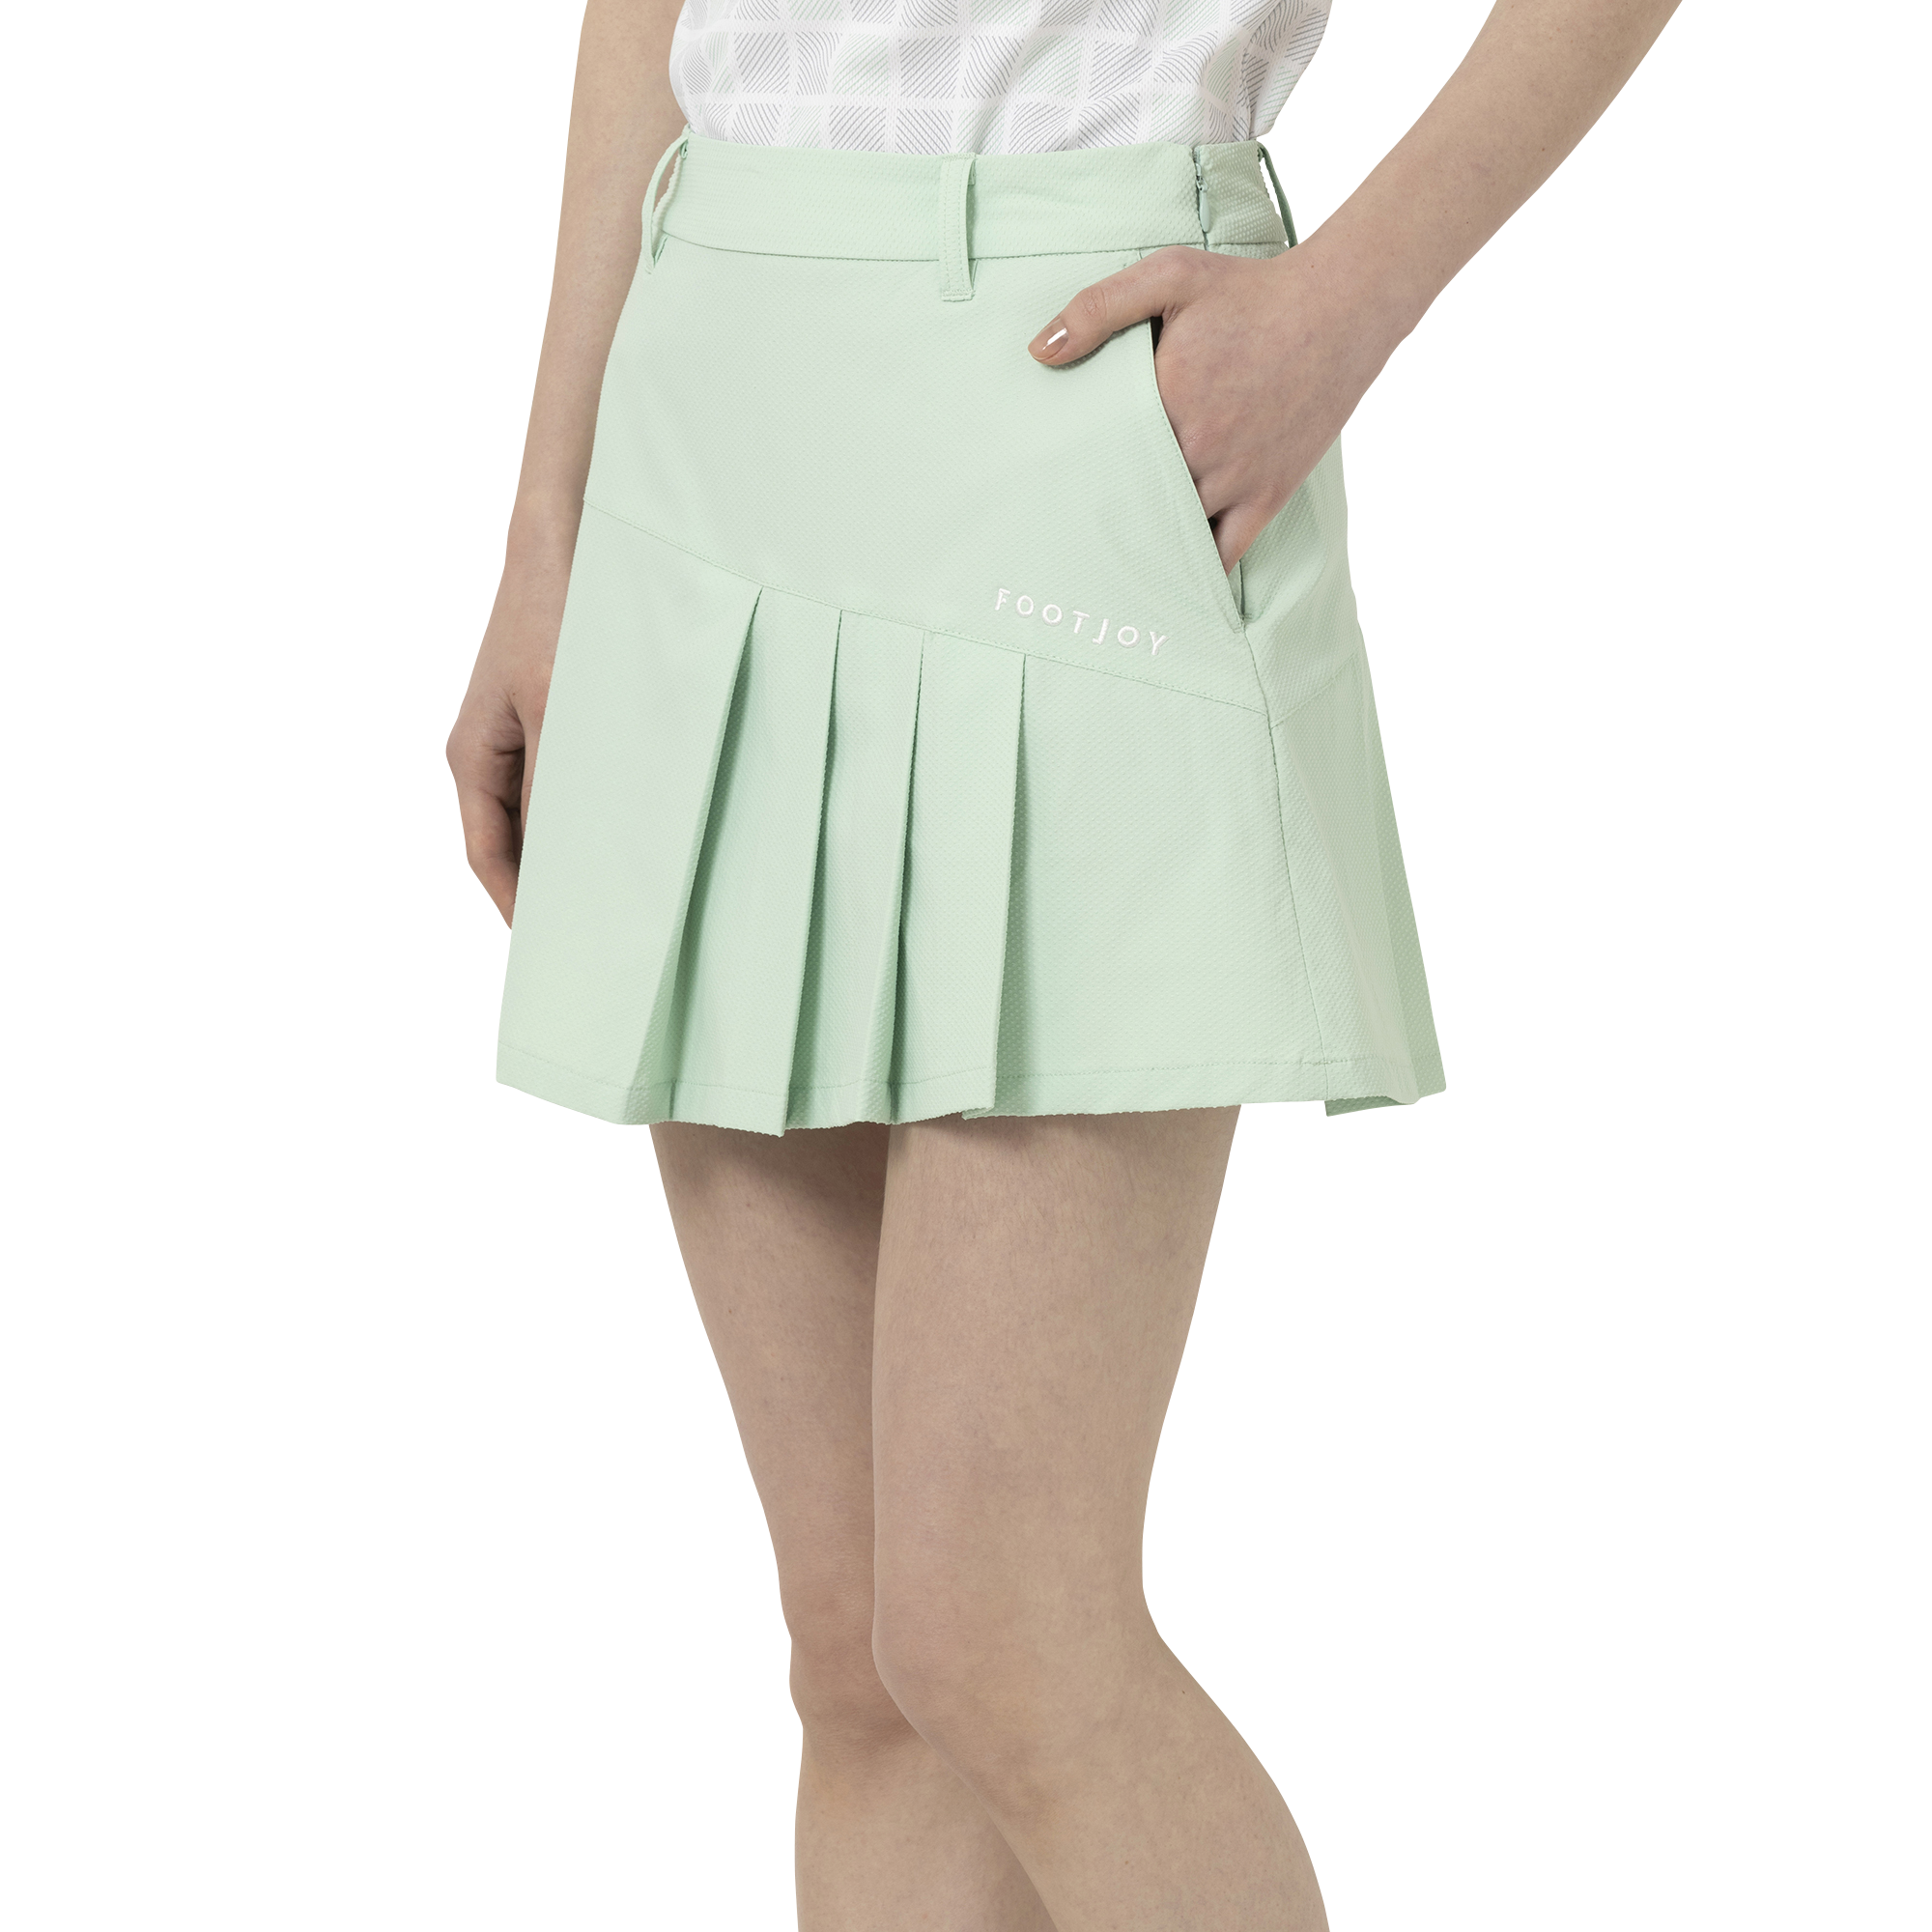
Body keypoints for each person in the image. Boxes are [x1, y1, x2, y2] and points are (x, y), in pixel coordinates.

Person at [446, 1, 1677, 1922]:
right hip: (710, 400)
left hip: (1087, 367)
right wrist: (546, 520)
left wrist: (1344, 308)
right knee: (858, 1658)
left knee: (1001, 1637)